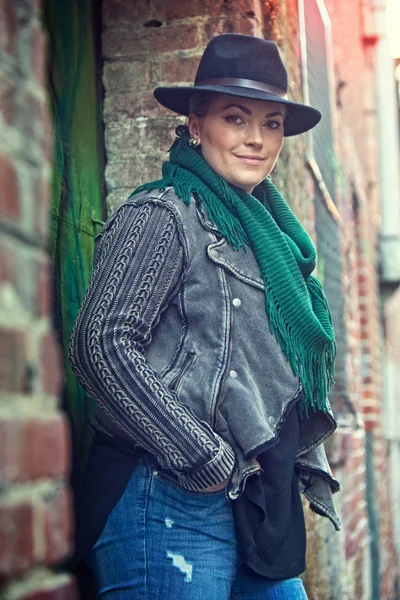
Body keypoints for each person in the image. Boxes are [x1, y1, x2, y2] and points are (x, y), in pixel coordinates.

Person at [69, 33, 341, 600]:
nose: (256, 139)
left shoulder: (271, 244)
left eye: (271, 124)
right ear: (196, 123)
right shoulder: (162, 215)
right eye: (236, 117)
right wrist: (203, 455)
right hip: (163, 496)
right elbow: (101, 343)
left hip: (252, 504)